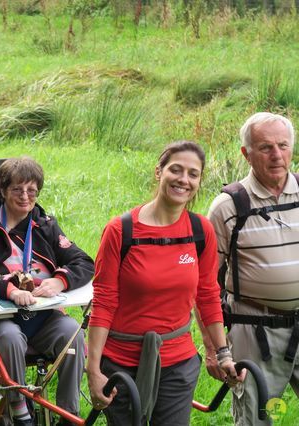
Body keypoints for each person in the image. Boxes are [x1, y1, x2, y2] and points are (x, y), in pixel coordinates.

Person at [87, 141, 244, 425]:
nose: (184, 180)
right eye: (176, 170)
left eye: (193, 174)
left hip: (178, 362)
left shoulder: (200, 231)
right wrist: (94, 370)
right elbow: (104, 301)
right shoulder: (120, 230)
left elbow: (208, 295)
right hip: (121, 363)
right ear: (159, 172)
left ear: (198, 181)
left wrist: (222, 354)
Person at [0, 156, 94, 426]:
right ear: (3, 189)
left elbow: (83, 262)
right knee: (10, 338)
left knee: (73, 336)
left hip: (42, 316)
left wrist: (59, 282)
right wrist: (9, 289)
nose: (25, 196)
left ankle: (68, 414)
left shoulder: (44, 224)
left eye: (32, 190)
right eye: (17, 189)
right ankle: (19, 410)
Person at [207, 112, 299, 426]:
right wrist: (215, 350)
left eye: (283, 146)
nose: (277, 155)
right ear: (246, 154)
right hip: (255, 330)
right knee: (257, 417)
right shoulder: (228, 207)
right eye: (265, 147)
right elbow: (203, 285)